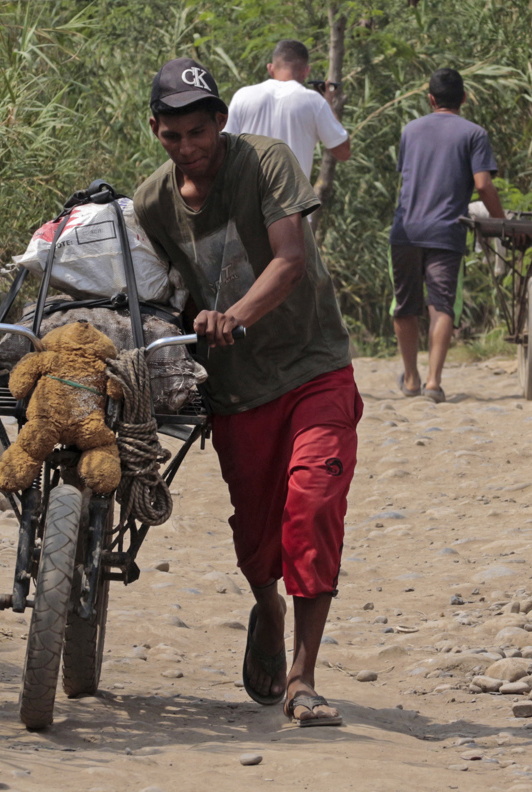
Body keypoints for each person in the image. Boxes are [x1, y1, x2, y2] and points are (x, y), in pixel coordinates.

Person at [133, 57, 362, 728]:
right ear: (156, 131)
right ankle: (267, 606)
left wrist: (234, 315)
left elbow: (290, 261)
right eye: (173, 137)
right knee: (257, 539)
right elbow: (154, 292)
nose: (188, 149)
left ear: (220, 123)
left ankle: (303, 678)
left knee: (313, 505)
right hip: (236, 392)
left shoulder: (264, 163)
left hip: (314, 366)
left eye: (198, 134)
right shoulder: (152, 202)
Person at [390, 67, 504, 402]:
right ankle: (433, 384)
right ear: (464, 98)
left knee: (405, 307)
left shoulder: (411, 130)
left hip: (406, 231)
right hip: (446, 232)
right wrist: (500, 222)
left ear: (430, 99)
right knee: (441, 306)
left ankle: (410, 378)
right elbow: (483, 184)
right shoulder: (474, 133)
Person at [223, 39, 351, 179]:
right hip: (292, 198)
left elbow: (224, 150)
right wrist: (328, 103)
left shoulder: (243, 96)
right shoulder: (315, 102)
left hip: (248, 197)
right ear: (305, 72)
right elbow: (343, 152)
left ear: (270, 68)